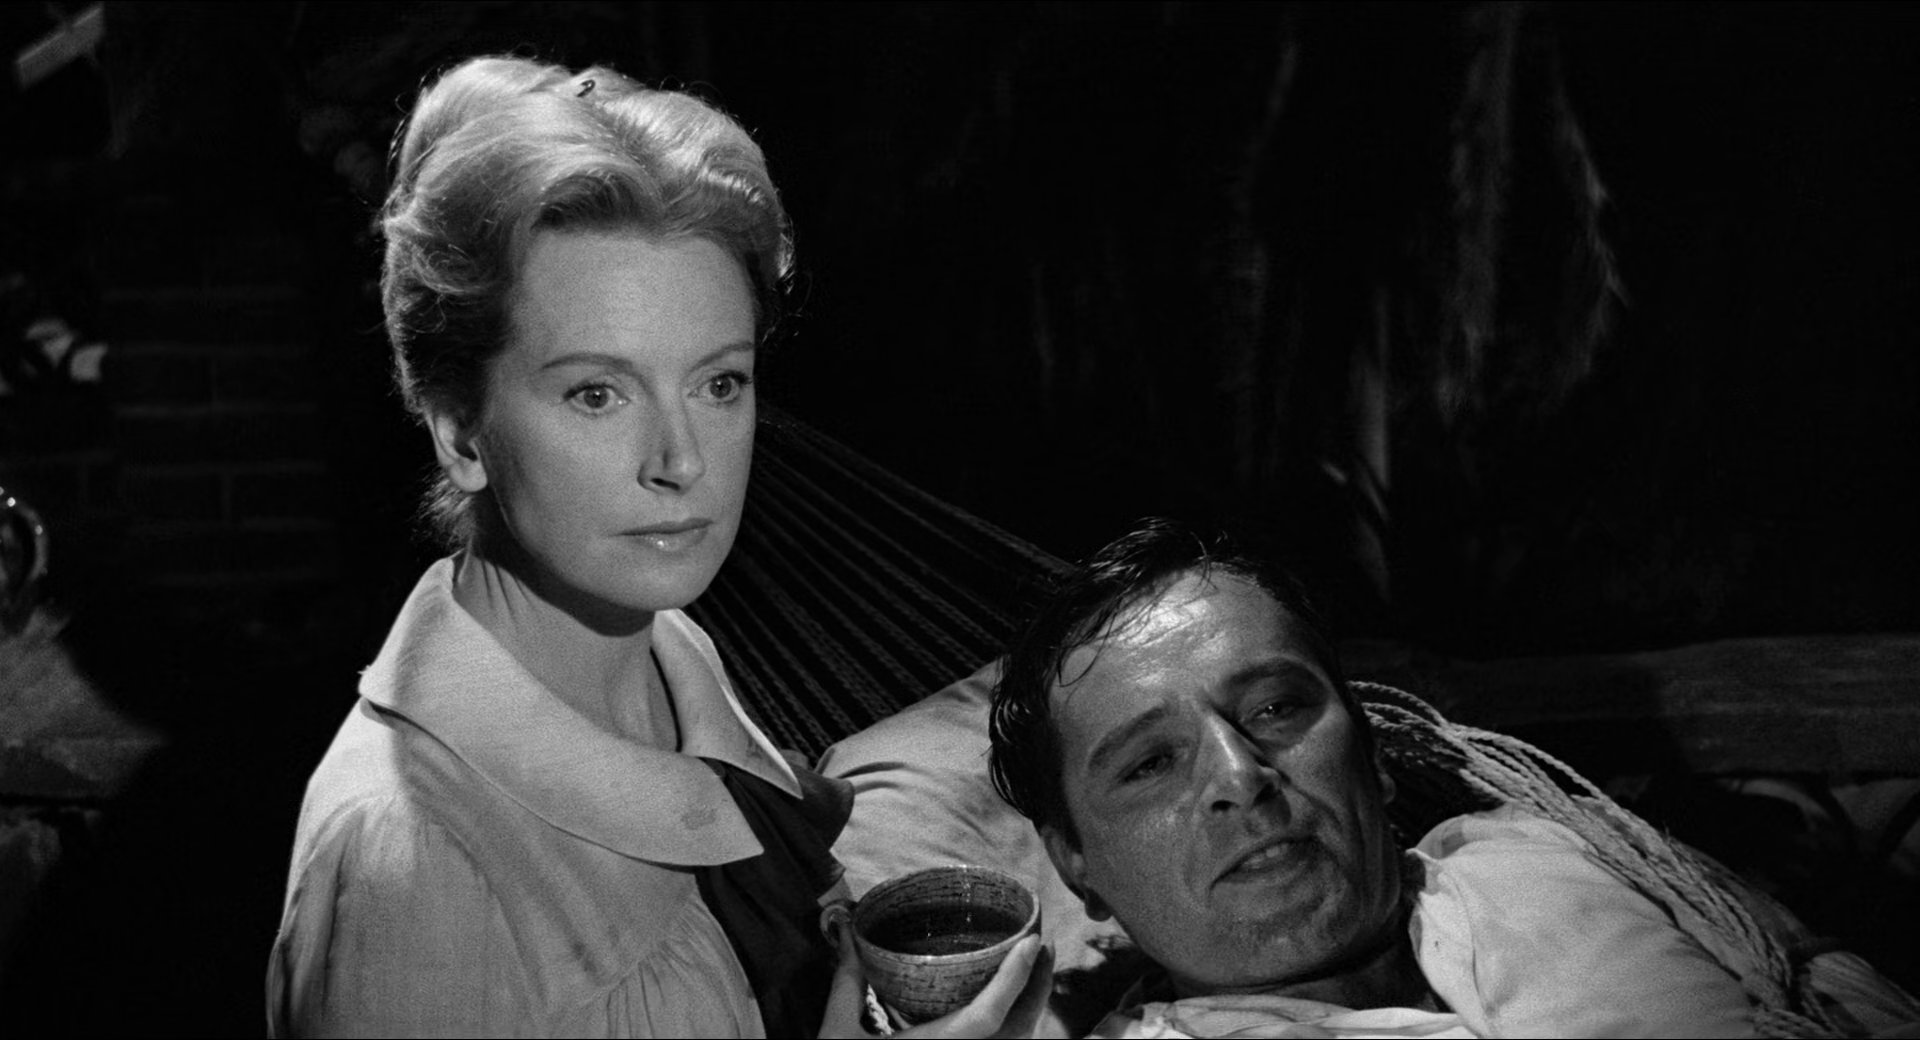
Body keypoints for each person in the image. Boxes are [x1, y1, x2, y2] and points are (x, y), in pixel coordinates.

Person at [267, 55, 1047, 1038]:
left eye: (719, 383)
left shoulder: (670, 650)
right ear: (459, 430)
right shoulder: (410, 862)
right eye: (597, 393)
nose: (682, 461)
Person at [986, 519, 1919, 1038]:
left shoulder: (1553, 859)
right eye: (1151, 763)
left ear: (1375, 755)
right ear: (1075, 863)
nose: (1241, 775)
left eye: (1274, 709)